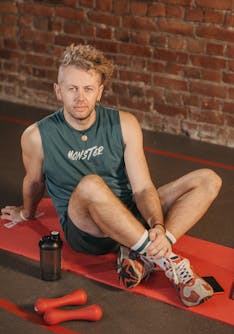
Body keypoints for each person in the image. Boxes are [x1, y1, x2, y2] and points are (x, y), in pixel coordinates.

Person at [1, 44, 222, 307]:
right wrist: (26, 213)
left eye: (88, 88)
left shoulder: (125, 124)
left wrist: (159, 227)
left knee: (208, 179)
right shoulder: (36, 136)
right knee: (91, 184)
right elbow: (34, 182)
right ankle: (167, 261)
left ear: (100, 92)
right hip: (87, 231)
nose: (80, 97)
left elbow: (141, 188)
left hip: (130, 216)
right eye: (72, 89)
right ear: (58, 91)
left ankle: (146, 253)